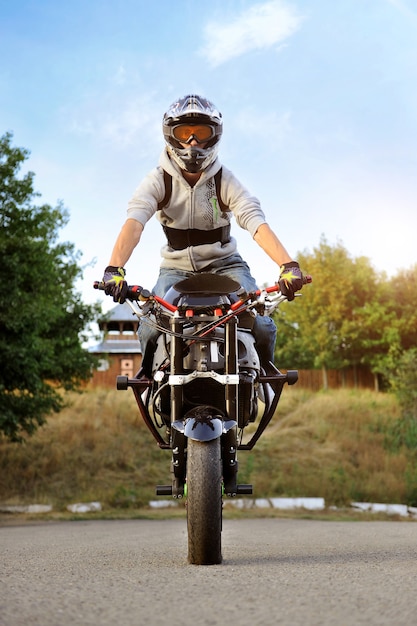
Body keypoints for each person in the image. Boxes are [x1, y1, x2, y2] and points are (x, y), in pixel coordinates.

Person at [102, 94, 303, 375]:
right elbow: (135, 222)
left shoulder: (225, 180)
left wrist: (287, 265)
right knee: (150, 324)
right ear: (171, 137)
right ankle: (148, 379)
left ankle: (265, 377)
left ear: (214, 137)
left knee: (259, 320)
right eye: (185, 133)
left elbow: (255, 222)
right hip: (176, 269)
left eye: (201, 133)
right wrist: (115, 268)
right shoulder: (159, 180)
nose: (193, 142)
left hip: (226, 266)